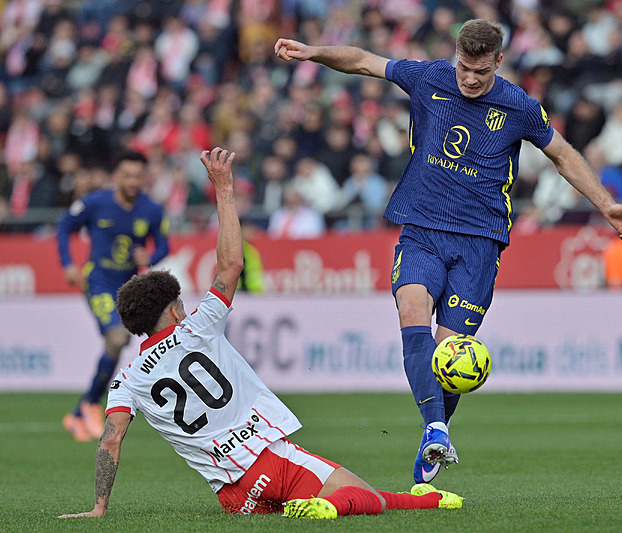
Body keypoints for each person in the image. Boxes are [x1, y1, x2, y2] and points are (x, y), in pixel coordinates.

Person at [275, 18, 622, 485]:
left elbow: (564, 156)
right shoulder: (429, 77)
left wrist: (606, 205)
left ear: (499, 62)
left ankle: (436, 431)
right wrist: (314, 53)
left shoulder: (519, 105)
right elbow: (365, 61)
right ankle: (435, 429)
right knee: (412, 309)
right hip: (423, 229)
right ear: (456, 56)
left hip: (480, 243)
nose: (470, 79)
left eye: (481, 71)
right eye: (464, 68)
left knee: (449, 354)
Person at [57, 148, 463, 520]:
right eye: (179, 301)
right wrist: (225, 190)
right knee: (363, 498)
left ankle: (429, 499)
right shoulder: (198, 327)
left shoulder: (127, 380)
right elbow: (231, 264)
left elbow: (110, 441)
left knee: (365, 495)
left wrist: (99, 508)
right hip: (269, 461)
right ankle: (337, 506)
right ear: (173, 309)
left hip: (234, 497)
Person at [57, 150, 169, 442]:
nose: (132, 181)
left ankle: (81, 410)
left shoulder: (152, 210)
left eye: (137, 176)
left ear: (144, 178)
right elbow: (64, 225)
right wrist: (68, 263)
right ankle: (91, 406)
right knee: (118, 338)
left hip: (130, 288)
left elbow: (163, 245)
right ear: (117, 175)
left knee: (118, 344)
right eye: (127, 175)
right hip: (98, 282)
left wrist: (151, 256)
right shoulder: (96, 202)